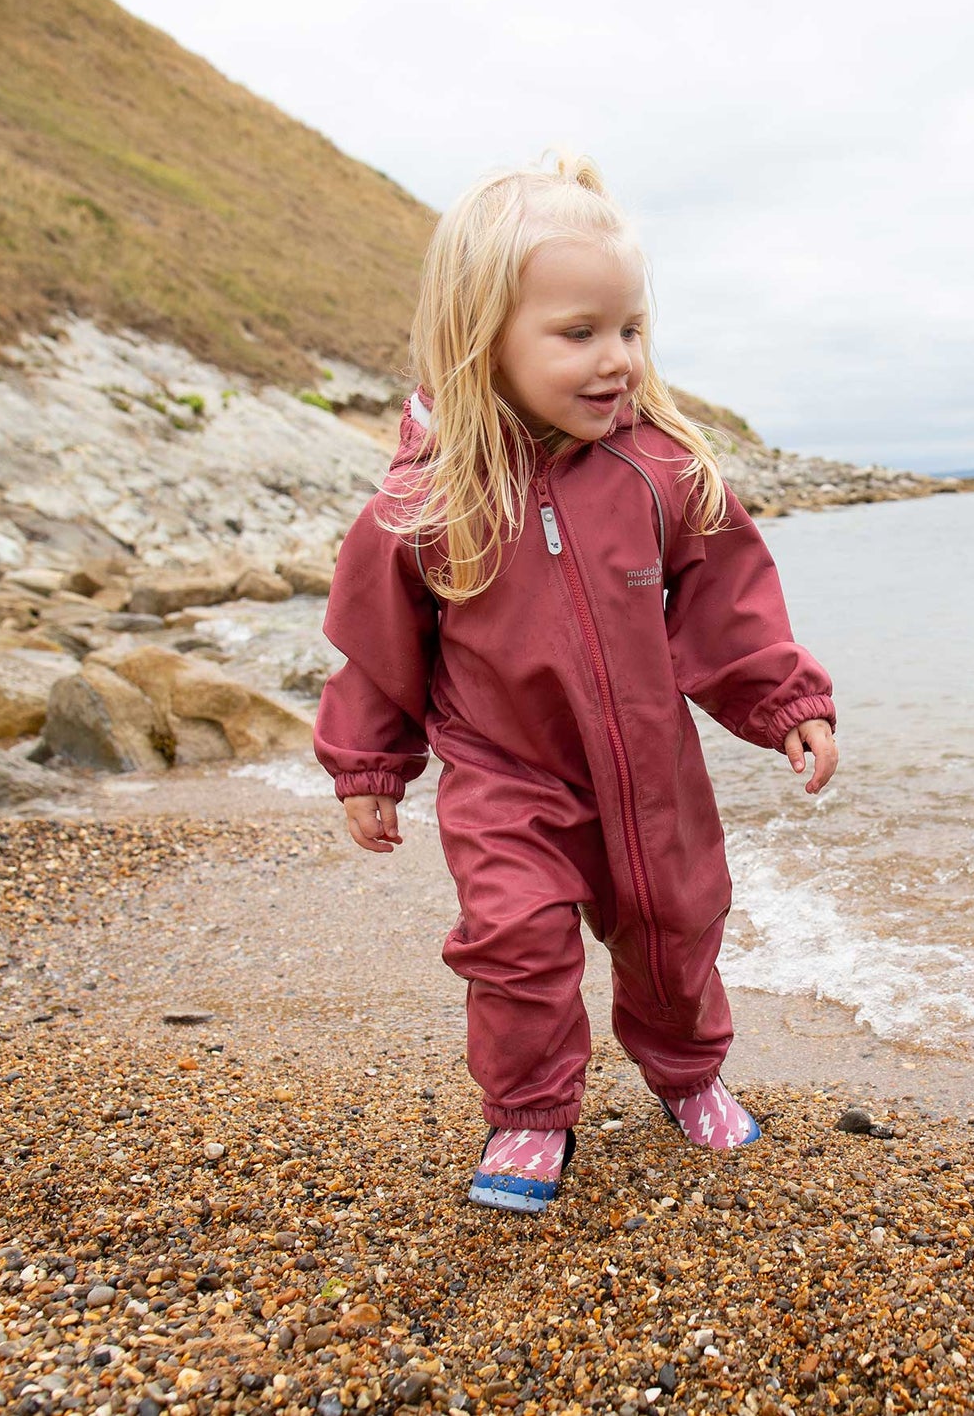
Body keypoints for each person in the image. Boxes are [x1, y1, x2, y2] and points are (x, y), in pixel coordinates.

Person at [314, 155, 837, 1214]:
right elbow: (381, 646)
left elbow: (723, 601)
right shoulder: (424, 503)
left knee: (676, 927)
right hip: (505, 774)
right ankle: (529, 1109)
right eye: (577, 333)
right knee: (513, 943)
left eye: (629, 329)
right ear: (481, 336)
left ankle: (687, 1074)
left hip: (650, 770)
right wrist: (368, 763)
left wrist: (785, 701)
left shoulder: (662, 469)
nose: (615, 360)